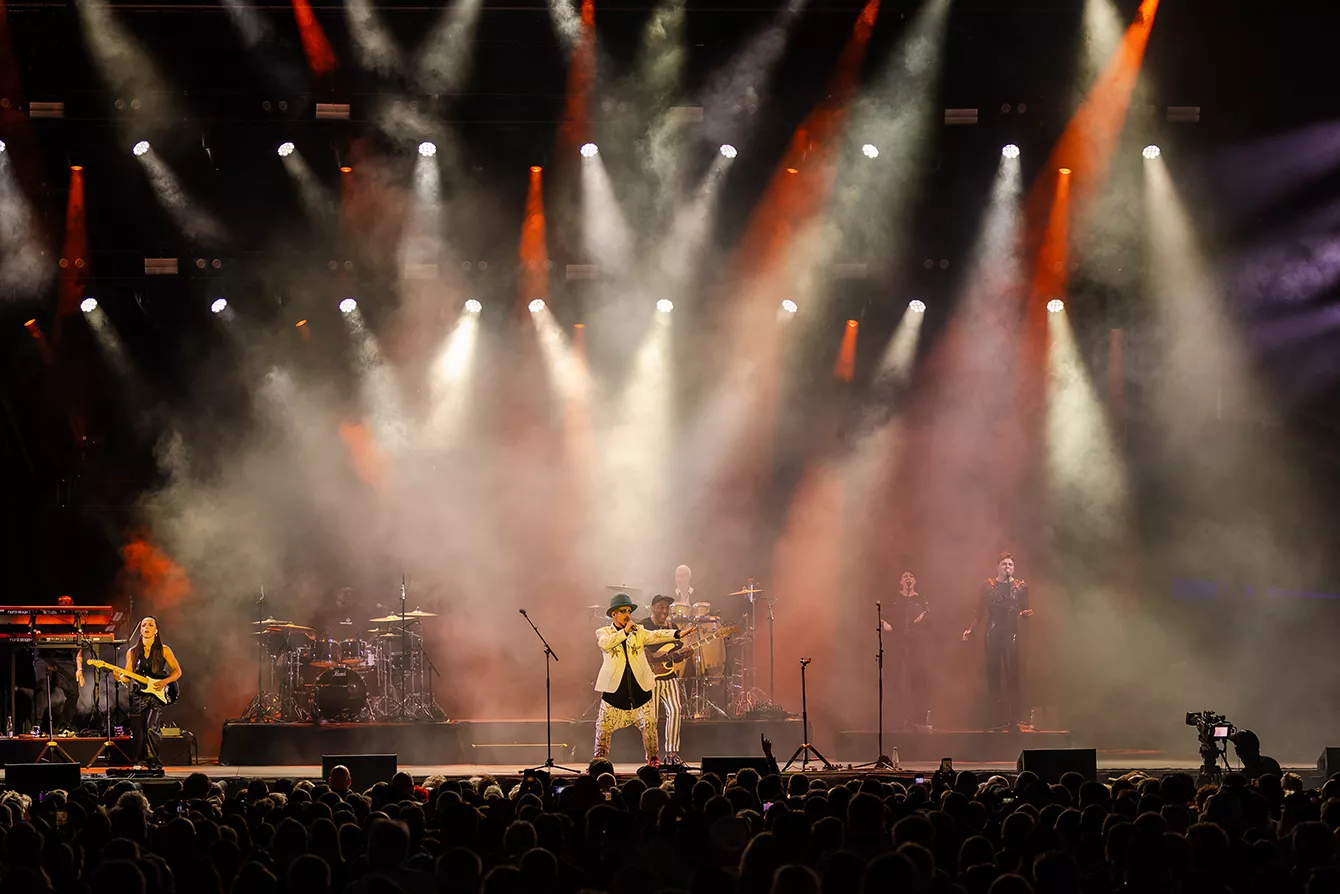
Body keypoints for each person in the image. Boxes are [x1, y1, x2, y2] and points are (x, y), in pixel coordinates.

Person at [593, 593, 690, 767]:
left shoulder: (638, 631)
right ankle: (599, 761)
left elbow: (656, 635)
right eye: (623, 611)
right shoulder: (604, 632)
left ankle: (653, 759)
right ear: (614, 614)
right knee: (604, 727)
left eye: (629, 611)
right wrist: (625, 631)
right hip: (615, 689)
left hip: (639, 687)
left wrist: (677, 633)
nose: (627, 614)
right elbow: (606, 644)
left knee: (649, 725)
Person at [962, 553, 1033, 731]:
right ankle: (995, 717)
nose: (1007, 567)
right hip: (993, 633)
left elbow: (1025, 609)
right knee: (993, 675)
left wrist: (1025, 614)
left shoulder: (1021, 587)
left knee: (1012, 675)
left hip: (1011, 633)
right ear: (997, 567)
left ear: (1014, 568)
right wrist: (970, 629)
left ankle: (1013, 718)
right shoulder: (987, 586)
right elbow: (978, 611)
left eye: (1010, 564)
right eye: (1004, 564)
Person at [114, 616, 183, 767]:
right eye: (144, 625)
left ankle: (153, 762)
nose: (147, 627)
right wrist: (119, 677)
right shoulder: (132, 652)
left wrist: (164, 682)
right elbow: (127, 675)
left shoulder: (164, 650)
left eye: (150, 625)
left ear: (156, 631)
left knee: (152, 728)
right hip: (138, 695)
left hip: (156, 695)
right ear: (140, 630)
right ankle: (139, 761)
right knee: (137, 731)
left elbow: (177, 672)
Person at [32, 595, 88, 737]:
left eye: (67, 602)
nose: (64, 605)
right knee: (41, 685)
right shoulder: (47, 616)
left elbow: (79, 646)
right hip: (45, 656)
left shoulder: (75, 620)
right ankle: (37, 725)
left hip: (64, 658)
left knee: (73, 693)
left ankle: (64, 725)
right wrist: (36, 632)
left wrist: (79, 669)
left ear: (72, 605)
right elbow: (35, 630)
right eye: (61, 602)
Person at [642, 594, 687, 768]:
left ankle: (671, 754)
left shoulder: (672, 627)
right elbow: (635, 648)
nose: (665, 611)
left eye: (667, 608)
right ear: (652, 607)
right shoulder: (643, 625)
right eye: (661, 607)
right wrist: (651, 656)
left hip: (669, 676)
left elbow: (675, 656)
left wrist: (683, 655)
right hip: (650, 677)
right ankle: (652, 756)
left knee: (675, 710)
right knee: (651, 717)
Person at [890, 572, 930, 729]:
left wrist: (924, 616)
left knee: (916, 679)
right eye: (905, 576)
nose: (908, 579)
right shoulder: (895, 598)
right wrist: (885, 623)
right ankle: (897, 716)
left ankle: (918, 716)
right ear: (900, 581)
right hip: (897, 640)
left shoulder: (921, 600)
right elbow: (883, 614)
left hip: (916, 642)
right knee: (898, 678)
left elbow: (928, 616)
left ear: (915, 581)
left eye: (911, 576)